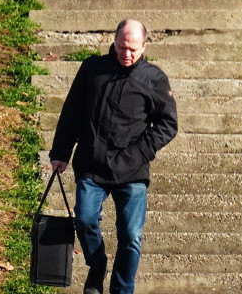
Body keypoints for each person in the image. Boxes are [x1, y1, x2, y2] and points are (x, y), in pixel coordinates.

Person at [49, 19, 178, 294]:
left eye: (133, 49)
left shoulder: (154, 79)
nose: (126, 54)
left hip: (132, 171)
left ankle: (122, 290)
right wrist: (60, 153)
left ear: (144, 46)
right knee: (84, 220)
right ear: (114, 41)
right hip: (91, 167)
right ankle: (96, 268)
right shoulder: (92, 69)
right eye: (122, 47)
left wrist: (139, 153)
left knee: (131, 237)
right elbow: (72, 111)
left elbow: (168, 125)